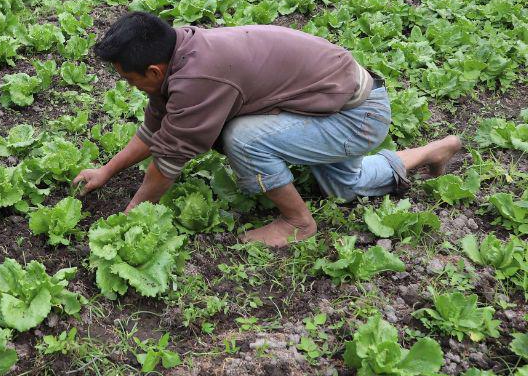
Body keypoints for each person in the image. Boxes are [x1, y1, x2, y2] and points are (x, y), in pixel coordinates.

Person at [73, 12, 462, 247]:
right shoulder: (179, 55)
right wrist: (106, 171)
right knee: (344, 188)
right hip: (334, 107)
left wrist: (133, 215)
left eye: (129, 80)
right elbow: (155, 131)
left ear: (153, 70)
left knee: (241, 138)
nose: (129, 86)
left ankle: (298, 223)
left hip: (357, 117)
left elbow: (168, 162)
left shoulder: (199, 78)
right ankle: (432, 151)